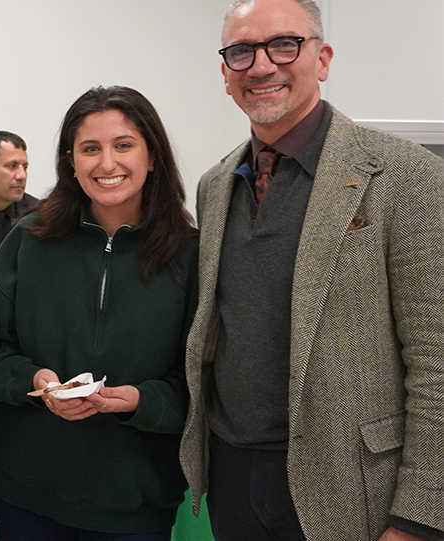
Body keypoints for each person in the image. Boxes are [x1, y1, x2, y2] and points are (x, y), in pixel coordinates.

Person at [179, 1, 444, 540]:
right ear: (225, 74)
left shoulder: (406, 176)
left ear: (321, 59)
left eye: (284, 44)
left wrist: (419, 517)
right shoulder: (215, 185)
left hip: (350, 485)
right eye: (241, 52)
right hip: (231, 473)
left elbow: (436, 358)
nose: (260, 66)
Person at [0, 86, 197, 541]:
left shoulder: (192, 255)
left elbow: (200, 381)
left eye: (124, 145)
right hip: (26, 490)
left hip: (135, 496)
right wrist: (33, 381)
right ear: (70, 163)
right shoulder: (29, 240)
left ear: (153, 156)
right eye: (90, 149)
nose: (107, 163)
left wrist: (139, 400)